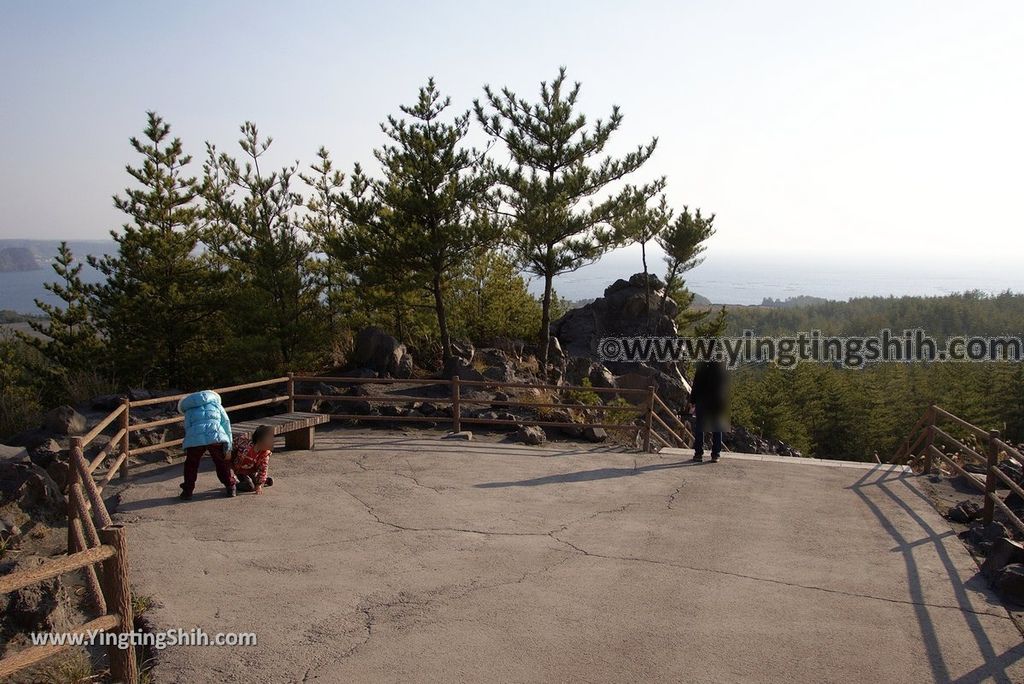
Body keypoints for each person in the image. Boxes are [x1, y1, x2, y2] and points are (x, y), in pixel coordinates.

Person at [178, 390, 235, 499]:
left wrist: (187, 444)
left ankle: (187, 491)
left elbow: (187, 428)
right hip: (215, 435)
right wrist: (229, 445)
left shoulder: (190, 410)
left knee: (191, 464)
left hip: (196, 438)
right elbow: (226, 423)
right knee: (221, 462)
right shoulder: (216, 405)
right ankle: (230, 486)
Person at [687, 357, 728, 463]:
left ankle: (698, 454)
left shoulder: (702, 364)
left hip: (702, 399)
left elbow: (696, 383)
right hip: (716, 399)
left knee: (700, 427)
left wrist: (693, 400)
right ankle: (715, 454)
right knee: (717, 427)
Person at [231, 425, 275, 494]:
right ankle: (234, 484)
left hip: (252, 470)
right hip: (240, 470)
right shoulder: (245, 446)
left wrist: (259, 484)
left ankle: (263, 481)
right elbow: (235, 441)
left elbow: (263, 468)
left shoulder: (265, 454)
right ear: (260, 441)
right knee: (250, 486)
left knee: (256, 482)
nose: (272, 442)